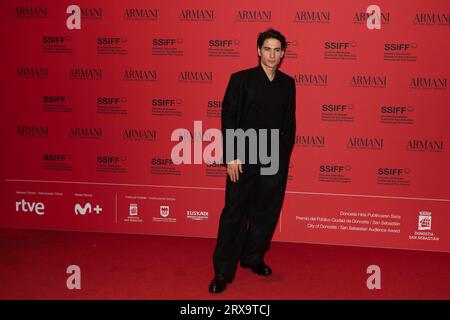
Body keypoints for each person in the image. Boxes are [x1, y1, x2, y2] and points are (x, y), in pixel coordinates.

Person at [209, 28, 296, 293]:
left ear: (282, 54)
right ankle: (223, 271)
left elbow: (289, 124)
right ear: (259, 51)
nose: (272, 54)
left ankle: (252, 257)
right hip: (243, 156)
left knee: (266, 212)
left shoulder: (287, 83)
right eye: (267, 49)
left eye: (277, 50)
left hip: (273, 157)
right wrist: (231, 156)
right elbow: (229, 117)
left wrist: (282, 157)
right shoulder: (241, 79)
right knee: (234, 212)